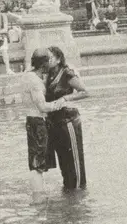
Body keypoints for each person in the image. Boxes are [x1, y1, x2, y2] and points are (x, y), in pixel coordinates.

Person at [24, 48, 73, 200]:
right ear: (44, 64)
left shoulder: (29, 75)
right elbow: (43, 107)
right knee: (37, 164)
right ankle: (38, 197)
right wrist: (60, 103)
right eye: (48, 60)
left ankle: (39, 194)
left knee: (37, 162)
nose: (50, 63)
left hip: (33, 120)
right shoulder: (35, 82)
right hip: (37, 121)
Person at [45, 46, 89, 190]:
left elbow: (85, 92)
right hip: (54, 122)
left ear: (58, 59)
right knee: (63, 160)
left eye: (49, 58)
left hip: (68, 121)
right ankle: (68, 189)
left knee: (74, 160)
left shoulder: (66, 73)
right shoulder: (47, 74)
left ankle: (79, 190)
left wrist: (65, 98)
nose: (46, 61)